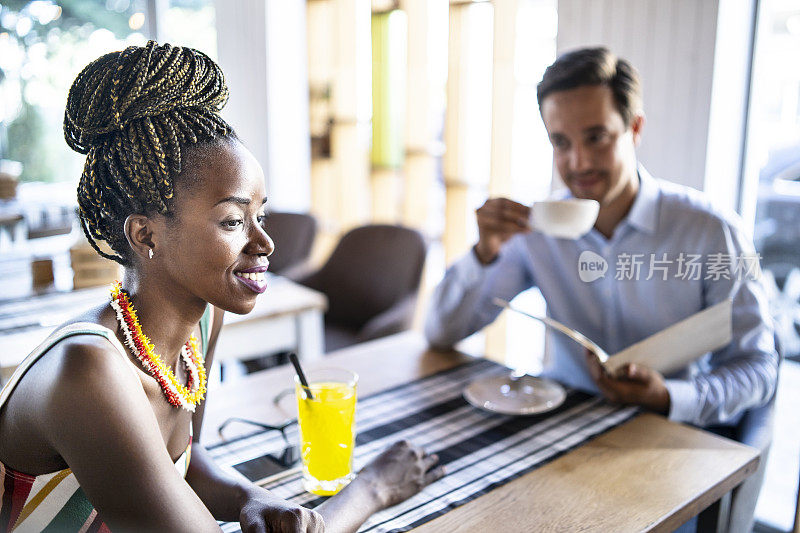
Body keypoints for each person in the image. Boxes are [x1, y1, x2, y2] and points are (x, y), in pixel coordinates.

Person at [0, 41, 443, 533]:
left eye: (261, 215)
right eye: (234, 220)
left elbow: (179, 460)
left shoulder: (204, 317)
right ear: (146, 234)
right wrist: (370, 491)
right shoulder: (89, 373)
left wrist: (249, 497)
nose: (266, 242)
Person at [425, 47, 778, 531]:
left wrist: (669, 396)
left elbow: (759, 370)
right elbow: (441, 332)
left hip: (668, 448)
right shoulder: (538, 229)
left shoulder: (711, 232)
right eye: (560, 142)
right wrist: (483, 252)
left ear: (634, 128)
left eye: (597, 137)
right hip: (558, 444)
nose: (579, 162)